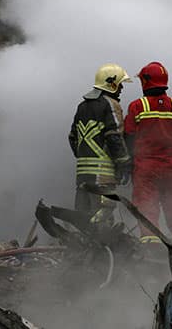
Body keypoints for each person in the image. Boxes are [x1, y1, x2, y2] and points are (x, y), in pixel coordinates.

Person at [124, 61, 172, 250]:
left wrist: (130, 162)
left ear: (146, 82)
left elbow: (129, 138)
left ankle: (151, 248)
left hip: (146, 168)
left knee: (147, 207)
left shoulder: (136, 107)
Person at [69, 63, 132, 223]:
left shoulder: (82, 106)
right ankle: (101, 248)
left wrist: (85, 156)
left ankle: (80, 248)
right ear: (111, 83)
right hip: (102, 176)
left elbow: (72, 137)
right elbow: (114, 136)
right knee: (102, 218)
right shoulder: (111, 105)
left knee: (82, 220)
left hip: (82, 176)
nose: (121, 88)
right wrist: (124, 163)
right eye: (120, 84)